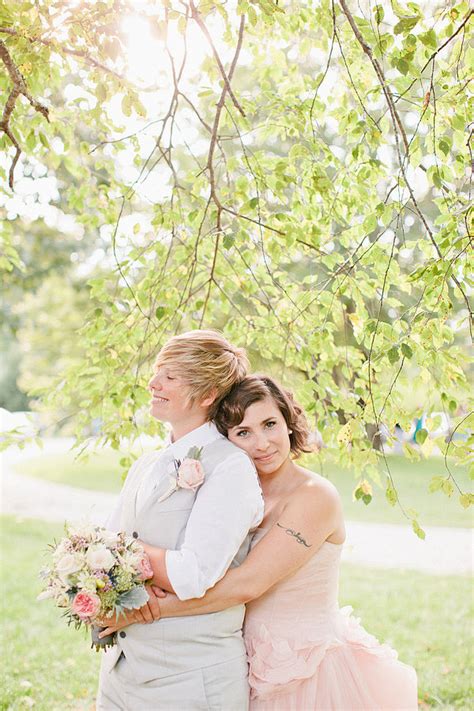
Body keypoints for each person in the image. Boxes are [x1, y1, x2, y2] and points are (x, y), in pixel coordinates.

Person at [101, 375, 418, 710]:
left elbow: (245, 585)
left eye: (270, 424)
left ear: (289, 423)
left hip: (302, 667)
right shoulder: (234, 492)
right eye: (243, 433)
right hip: (242, 656)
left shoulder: (315, 496)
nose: (262, 443)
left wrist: (143, 612)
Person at [96, 331, 264, 710]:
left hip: (190, 682)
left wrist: (123, 555)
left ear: (206, 395)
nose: (153, 383)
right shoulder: (145, 464)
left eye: (170, 376)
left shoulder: (229, 467)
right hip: (120, 673)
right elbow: (101, 550)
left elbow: (192, 574)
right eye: (158, 371)